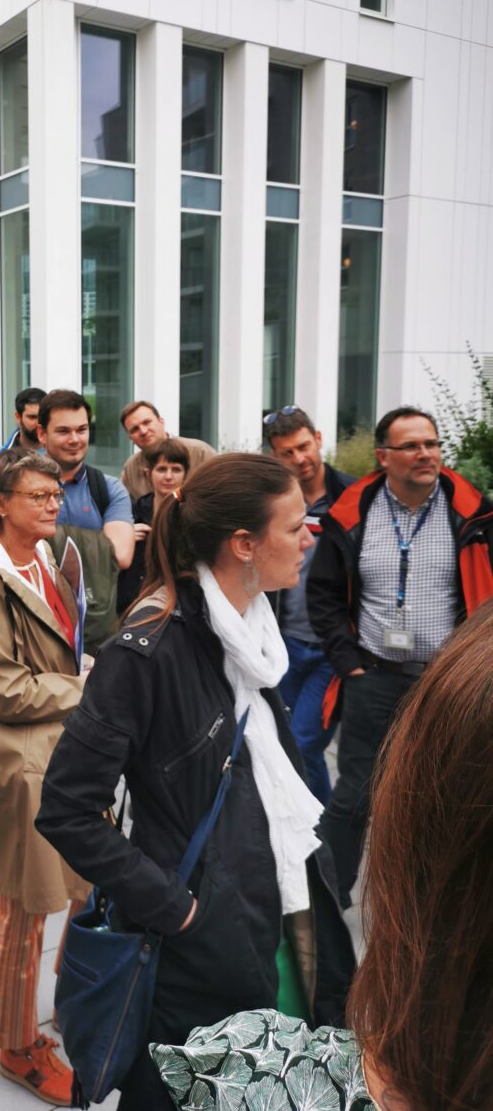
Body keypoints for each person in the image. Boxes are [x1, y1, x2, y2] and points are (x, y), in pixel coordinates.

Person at [37, 454, 355, 1110]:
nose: (309, 536)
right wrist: (176, 908)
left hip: (278, 908)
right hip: (200, 947)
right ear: (244, 544)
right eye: (294, 525)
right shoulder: (146, 652)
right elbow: (66, 809)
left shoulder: (254, 632)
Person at [152, 599, 493, 1111]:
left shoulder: (250, 1077)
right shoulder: (161, 645)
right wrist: (172, 904)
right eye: (294, 532)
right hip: (208, 908)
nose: (304, 555)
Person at [0, 448, 89, 1106]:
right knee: (23, 909)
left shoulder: (44, 559)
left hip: (59, 750)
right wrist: (85, 689)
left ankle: (63, 1004)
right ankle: (14, 1046)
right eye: (38, 496)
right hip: (20, 765)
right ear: (0, 503)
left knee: (76, 888)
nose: (53, 504)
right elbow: (4, 690)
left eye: (55, 495)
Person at [308, 405, 493, 907]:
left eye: (431, 443)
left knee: (443, 795)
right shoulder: (353, 514)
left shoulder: (473, 515)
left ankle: (428, 904)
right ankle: (325, 905)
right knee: (353, 796)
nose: (425, 454)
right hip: (373, 675)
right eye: (411, 446)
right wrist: (347, 661)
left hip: (445, 682)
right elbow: (323, 594)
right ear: (383, 456)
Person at [264, 405, 355, 803]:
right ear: (275, 455)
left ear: (318, 440)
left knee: (303, 743)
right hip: (284, 642)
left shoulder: (353, 497)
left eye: (303, 447)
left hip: (330, 649)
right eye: (287, 453)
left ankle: (321, 825)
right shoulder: (275, 501)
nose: (299, 458)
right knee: (279, 741)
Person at [38, 388, 134, 651]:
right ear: (42, 434)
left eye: (81, 430)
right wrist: (96, 542)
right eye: (63, 431)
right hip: (36, 623)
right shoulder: (17, 485)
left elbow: (121, 555)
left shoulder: (108, 489)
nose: (75, 439)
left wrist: (45, 536)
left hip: (95, 627)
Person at [117, 436, 190, 613]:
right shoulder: (130, 512)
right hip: (132, 604)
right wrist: (124, 537)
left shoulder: (193, 515)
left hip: (178, 606)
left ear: (185, 474)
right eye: (162, 469)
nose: (168, 476)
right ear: (148, 473)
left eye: (176, 469)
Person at [119, 400, 215, 502]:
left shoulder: (200, 452)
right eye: (135, 429)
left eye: (147, 422)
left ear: (161, 422)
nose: (143, 431)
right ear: (130, 438)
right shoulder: (131, 469)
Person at [0, 386, 47, 464]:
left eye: (42, 416)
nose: (38, 423)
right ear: (18, 417)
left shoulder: (58, 455)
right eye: (32, 417)